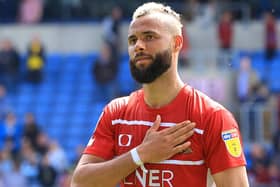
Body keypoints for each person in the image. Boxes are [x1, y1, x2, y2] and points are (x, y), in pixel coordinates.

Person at [71, 2, 249, 187]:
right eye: (132, 40)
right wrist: (140, 154)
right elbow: (80, 183)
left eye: (149, 37)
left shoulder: (213, 118)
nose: (138, 46)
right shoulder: (116, 114)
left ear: (176, 43)